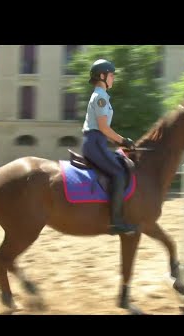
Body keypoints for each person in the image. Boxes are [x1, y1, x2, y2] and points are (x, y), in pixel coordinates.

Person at [81, 58, 138, 235]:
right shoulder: (100, 97)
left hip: (98, 142)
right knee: (119, 174)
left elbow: (103, 129)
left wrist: (120, 142)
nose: (113, 78)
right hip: (95, 143)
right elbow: (104, 128)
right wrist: (123, 140)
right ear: (102, 76)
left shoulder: (102, 96)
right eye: (111, 75)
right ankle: (116, 223)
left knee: (119, 165)